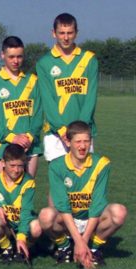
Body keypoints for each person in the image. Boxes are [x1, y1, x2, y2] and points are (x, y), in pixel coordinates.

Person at [39, 121, 127, 266]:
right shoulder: (56, 166)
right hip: (68, 220)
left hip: (91, 219)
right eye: (78, 141)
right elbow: (63, 206)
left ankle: (93, 248)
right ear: (68, 142)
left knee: (119, 212)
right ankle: (65, 247)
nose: (82, 146)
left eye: (86, 141)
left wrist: (83, 240)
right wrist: (78, 241)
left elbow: (98, 204)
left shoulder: (102, 164)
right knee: (45, 215)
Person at [37, 13, 98, 162]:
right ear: (53, 33)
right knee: (59, 183)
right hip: (56, 135)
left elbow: (91, 98)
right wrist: (63, 130)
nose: (66, 37)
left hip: (83, 133)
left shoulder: (89, 59)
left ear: (76, 33)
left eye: (70, 33)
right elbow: (48, 101)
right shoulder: (44, 63)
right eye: (61, 33)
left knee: (84, 183)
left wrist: (78, 132)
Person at [0, 36, 42, 177]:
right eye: (11, 57)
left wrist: (28, 137)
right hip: (2, 147)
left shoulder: (33, 81)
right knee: (4, 196)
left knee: (26, 194)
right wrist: (11, 137)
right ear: (2, 55)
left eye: (19, 57)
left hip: (30, 147)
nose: (16, 61)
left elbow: (38, 114)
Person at [0, 144, 42, 263]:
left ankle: (24, 248)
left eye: (20, 166)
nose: (16, 170)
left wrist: (21, 237)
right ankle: (6, 247)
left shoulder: (28, 182)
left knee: (37, 227)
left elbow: (26, 211)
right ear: (3, 163)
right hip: (6, 226)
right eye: (12, 165)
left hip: (22, 224)